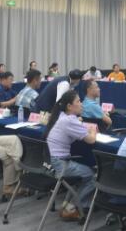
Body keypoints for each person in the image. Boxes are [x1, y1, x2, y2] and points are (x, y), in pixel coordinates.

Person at [45, 90, 96, 220]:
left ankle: (69, 204)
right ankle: (74, 207)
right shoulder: (69, 121)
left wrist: (79, 122)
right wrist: (93, 130)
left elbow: (74, 124)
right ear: (69, 106)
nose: (81, 104)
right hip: (62, 164)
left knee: (83, 172)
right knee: (94, 176)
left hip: (52, 162)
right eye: (78, 101)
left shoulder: (62, 116)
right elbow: (91, 140)